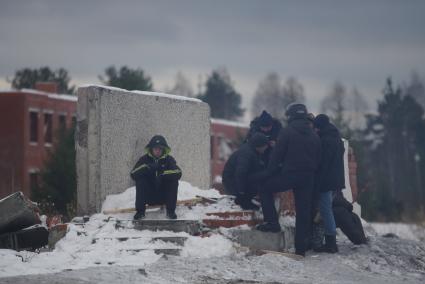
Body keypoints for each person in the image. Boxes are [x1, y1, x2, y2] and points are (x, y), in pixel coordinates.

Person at [257, 103, 321, 257]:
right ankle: (300, 249)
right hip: (308, 177)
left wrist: (268, 173)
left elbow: (276, 156)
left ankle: (273, 223)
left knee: (265, 188)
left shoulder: (287, 132)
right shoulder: (314, 135)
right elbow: (319, 159)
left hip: (290, 174)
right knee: (303, 212)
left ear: (291, 116)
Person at [313, 114, 345, 253]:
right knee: (326, 210)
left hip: (327, 180)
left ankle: (331, 243)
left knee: (326, 211)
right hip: (336, 179)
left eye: (316, 127)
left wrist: (317, 182)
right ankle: (330, 241)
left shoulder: (326, 140)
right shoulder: (336, 137)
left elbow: (323, 164)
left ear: (319, 126)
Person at [130, 135, 182, 220]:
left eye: (160, 149)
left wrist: (163, 174)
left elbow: (178, 173)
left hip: (164, 196)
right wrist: (147, 168)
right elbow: (133, 174)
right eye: (155, 148)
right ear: (151, 149)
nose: (157, 151)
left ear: (163, 149)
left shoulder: (169, 160)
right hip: (148, 196)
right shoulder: (144, 159)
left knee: (173, 181)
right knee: (141, 180)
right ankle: (140, 212)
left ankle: (171, 212)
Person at [222, 133, 269, 210]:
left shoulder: (253, 151)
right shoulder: (246, 153)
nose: (266, 148)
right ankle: (244, 201)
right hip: (232, 181)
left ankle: (246, 200)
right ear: (259, 145)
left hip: (237, 180)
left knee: (261, 176)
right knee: (259, 179)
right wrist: (241, 192)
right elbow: (240, 173)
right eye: (265, 146)